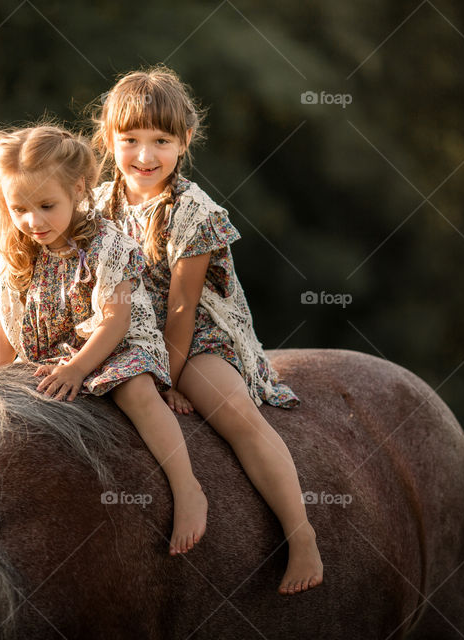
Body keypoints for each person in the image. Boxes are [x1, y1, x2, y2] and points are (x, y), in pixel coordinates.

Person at [91, 67, 323, 594]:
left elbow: (182, 309)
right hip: (123, 328)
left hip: (194, 337)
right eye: (130, 140)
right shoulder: (97, 205)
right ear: (110, 140)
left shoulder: (195, 213)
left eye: (161, 141)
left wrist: (168, 379)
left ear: (184, 142)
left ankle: (301, 533)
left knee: (233, 410)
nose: (145, 156)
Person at [0, 124, 207, 555]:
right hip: (57, 351)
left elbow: (115, 320)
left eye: (47, 205)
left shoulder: (108, 246)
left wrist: (79, 368)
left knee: (136, 390)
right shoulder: (21, 249)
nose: (33, 221)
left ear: (79, 189)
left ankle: (188, 487)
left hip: (115, 345)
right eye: (19, 209)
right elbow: (5, 325)